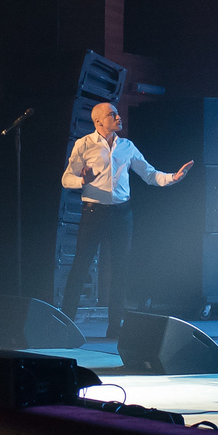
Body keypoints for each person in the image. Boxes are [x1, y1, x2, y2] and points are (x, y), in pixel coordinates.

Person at [57, 103, 193, 338]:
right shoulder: (84, 144)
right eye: (113, 114)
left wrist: (174, 177)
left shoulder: (127, 146)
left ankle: (114, 326)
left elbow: (149, 174)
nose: (119, 117)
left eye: (117, 113)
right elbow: (66, 178)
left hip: (122, 213)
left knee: (120, 270)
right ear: (98, 122)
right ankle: (65, 323)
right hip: (93, 213)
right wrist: (82, 181)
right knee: (81, 267)